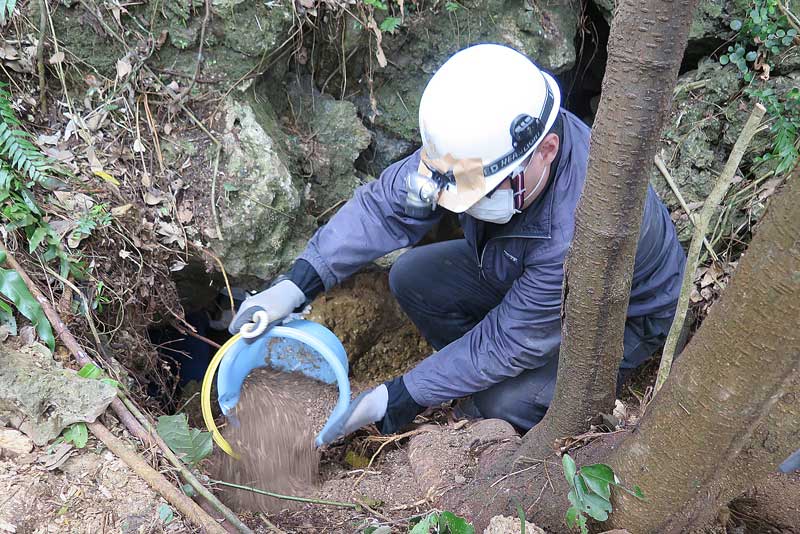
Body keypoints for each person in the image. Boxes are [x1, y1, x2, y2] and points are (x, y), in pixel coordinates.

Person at [228, 43, 687, 445]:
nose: (468, 204)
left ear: (545, 151)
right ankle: (460, 376)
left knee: (501, 399)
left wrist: (400, 396)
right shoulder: (474, 144)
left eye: (484, 192)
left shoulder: (578, 231)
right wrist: (295, 284)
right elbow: (385, 207)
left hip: (621, 315)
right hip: (515, 270)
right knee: (413, 277)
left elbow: (508, 342)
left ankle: (486, 398)